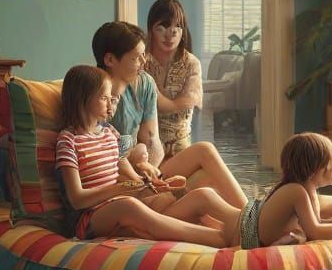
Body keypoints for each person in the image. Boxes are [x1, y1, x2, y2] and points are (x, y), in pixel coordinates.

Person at [54, 65, 231, 247]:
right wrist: (119, 189)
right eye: (103, 98)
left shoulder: (109, 133)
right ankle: (220, 238)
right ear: (83, 99)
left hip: (120, 203)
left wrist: (147, 184)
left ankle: (240, 227)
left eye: (111, 98)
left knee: (191, 196)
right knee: (130, 206)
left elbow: (125, 168)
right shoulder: (68, 141)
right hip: (89, 217)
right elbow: (76, 199)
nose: (110, 104)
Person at [92, 21, 247, 209]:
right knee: (197, 191)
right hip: (117, 180)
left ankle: (250, 219)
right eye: (136, 58)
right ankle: (244, 229)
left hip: (143, 170)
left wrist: (150, 169)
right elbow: (96, 156)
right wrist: (138, 171)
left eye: (143, 55)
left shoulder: (144, 83)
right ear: (110, 60)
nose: (144, 62)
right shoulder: (94, 94)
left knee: (204, 152)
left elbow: (152, 141)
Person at [199, 132, 332, 249]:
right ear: (314, 168)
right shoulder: (297, 192)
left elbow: (318, 223)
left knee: (204, 200)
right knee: (197, 205)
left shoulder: (307, 190)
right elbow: (315, 231)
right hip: (239, 231)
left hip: (244, 225)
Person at [144, 0, 202, 158]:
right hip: (147, 146)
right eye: (161, 27)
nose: (170, 34)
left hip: (181, 145)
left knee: (205, 176)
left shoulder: (191, 63)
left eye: (177, 26)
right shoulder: (141, 62)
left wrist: (157, 98)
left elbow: (189, 102)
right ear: (151, 30)